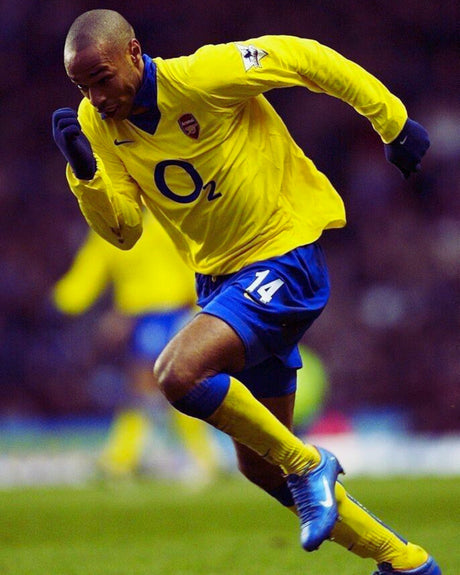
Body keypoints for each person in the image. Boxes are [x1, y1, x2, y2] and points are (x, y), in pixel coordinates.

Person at [52, 9, 438, 575]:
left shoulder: (204, 75)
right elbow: (124, 230)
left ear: (134, 53)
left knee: (177, 373)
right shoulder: (97, 122)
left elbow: (304, 57)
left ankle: (309, 464)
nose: (96, 97)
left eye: (102, 79)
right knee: (259, 465)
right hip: (222, 282)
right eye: (82, 86)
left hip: (282, 254)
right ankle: (405, 562)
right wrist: (86, 176)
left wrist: (393, 122)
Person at [52, 210, 218, 481]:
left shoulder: (163, 220)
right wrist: (64, 301)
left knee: (157, 385)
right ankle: (141, 457)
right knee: (154, 388)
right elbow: (91, 268)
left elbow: (191, 262)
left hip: (167, 311)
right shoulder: (108, 227)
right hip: (139, 317)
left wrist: (200, 304)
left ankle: (128, 458)